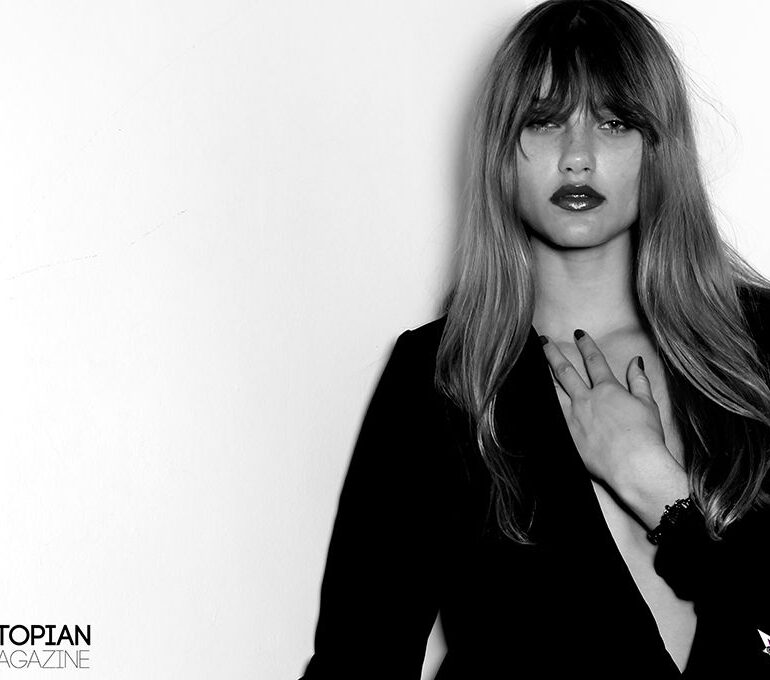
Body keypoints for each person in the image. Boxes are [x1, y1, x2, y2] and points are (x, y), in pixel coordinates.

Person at [298, 0, 770, 677]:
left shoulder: (758, 347)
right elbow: (357, 663)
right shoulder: (441, 377)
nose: (577, 158)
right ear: (501, 152)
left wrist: (654, 482)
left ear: (658, 147)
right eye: (544, 122)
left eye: (613, 122)